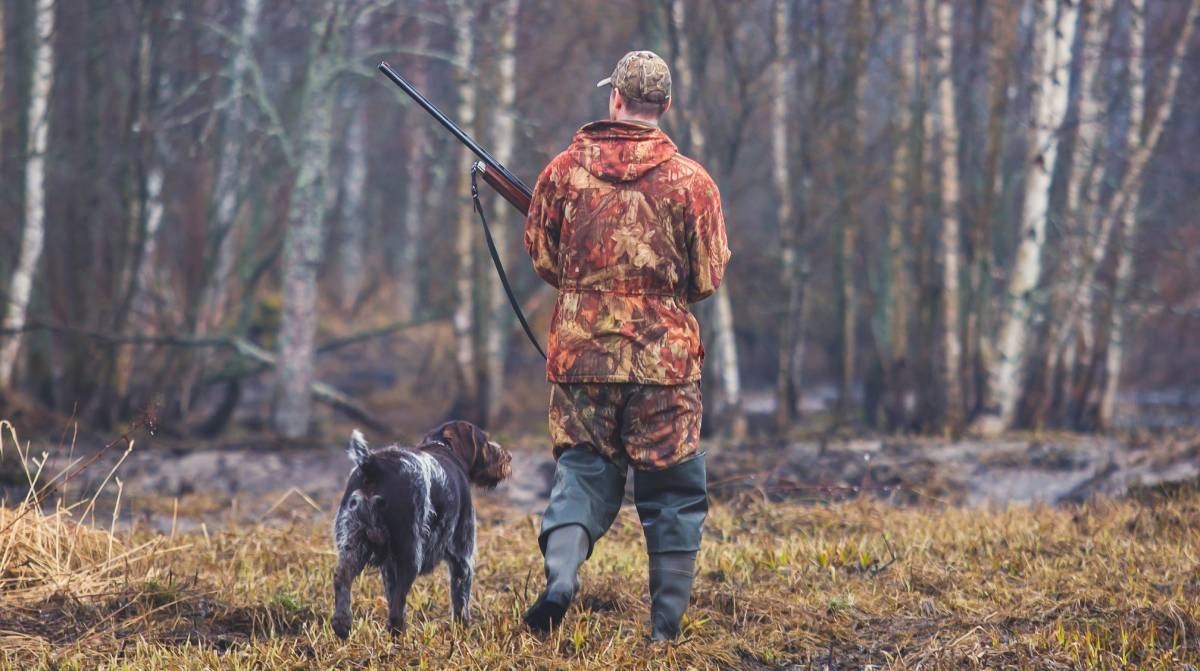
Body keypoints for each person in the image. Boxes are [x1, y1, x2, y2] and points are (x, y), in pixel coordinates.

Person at [521, 50, 730, 641]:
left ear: (615, 97)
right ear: (664, 106)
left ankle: (562, 578)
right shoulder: (693, 181)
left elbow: (543, 259)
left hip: (582, 358)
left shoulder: (561, 173)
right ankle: (664, 632)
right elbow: (708, 278)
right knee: (671, 493)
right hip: (665, 366)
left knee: (583, 472)